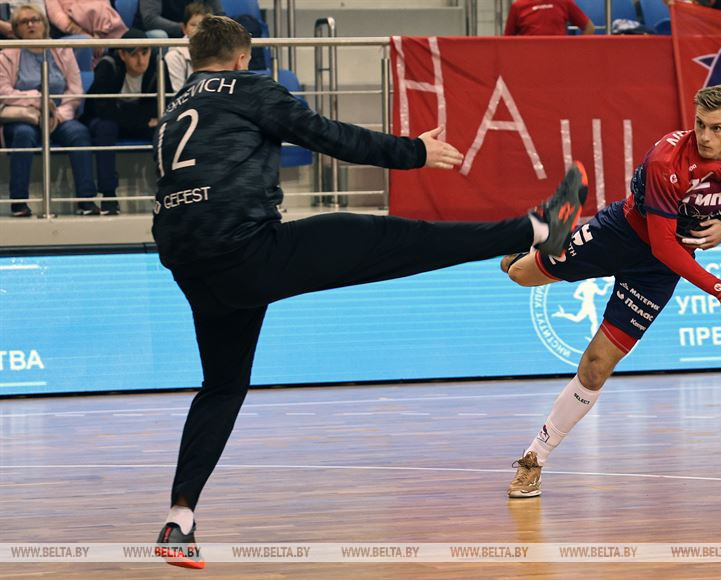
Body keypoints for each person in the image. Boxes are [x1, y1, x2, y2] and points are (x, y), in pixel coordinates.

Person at [151, 15, 585, 569]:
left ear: (193, 59)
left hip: (191, 266)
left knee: (221, 387)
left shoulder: (172, 112)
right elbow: (328, 135)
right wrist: (413, 153)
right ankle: (537, 230)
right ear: (243, 58)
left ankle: (180, 519)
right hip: (247, 251)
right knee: (392, 240)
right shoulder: (249, 88)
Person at [503, 85, 721, 499]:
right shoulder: (667, 161)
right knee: (519, 274)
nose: (705, 136)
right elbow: (664, 245)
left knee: (596, 367)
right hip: (622, 236)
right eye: (699, 124)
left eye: (716, 128)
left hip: (655, 275)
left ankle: (534, 458)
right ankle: (536, 237)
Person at [0, 4, 102, 217]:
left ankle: (86, 201)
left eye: (35, 19)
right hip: (25, 117)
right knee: (23, 135)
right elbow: (4, 92)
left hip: (59, 116)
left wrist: (59, 115)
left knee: (79, 133)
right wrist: (38, 100)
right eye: (24, 22)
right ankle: (19, 203)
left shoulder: (62, 50)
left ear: (44, 24)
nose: (30, 24)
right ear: (16, 29)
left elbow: (75, 90)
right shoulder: (6, 55)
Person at [81, 28, 168, 214]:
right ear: (122, 55)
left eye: (144, 53)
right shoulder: (108, 66)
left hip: (131, 122)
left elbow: (162, 105)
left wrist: (133, 116)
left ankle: (168, 192)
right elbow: (102, 109)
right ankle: (108, 196)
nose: (141, 60)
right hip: (103, 121)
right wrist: (142, 120)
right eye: (134, 54)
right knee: (106, 128)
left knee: (166, 129)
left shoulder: (158, 66)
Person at [164, 1, 209, 93]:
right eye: (193, 25)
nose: (198, 30)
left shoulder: (219, 53)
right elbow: (179, 94)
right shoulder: (174, 56)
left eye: (203, 25)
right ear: (184, 29)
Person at [135, 0, 222, 38]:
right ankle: (163, 70)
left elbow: (219, 15)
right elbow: (150, 20)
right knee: (160, 36)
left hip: (193, 31)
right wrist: (185, 29)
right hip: (156, 33)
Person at [504, 0, 595, 36]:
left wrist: (575, 50)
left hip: (559, 60)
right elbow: (507, 40)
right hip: (529, 60)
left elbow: (589, 27)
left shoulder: (564, 2)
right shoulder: (518, 6)